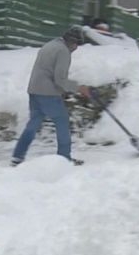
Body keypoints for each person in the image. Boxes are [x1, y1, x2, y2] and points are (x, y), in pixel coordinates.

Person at [11, 25, 90, 166]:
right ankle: (64, 159)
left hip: (34, 90)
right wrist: (78, 88)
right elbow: (60, 80)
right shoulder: (63, 51)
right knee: (62, 121)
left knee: (33, 124)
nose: (76, 48)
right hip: (48, 93)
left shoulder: (50, 45)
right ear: (72, 42)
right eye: (77, 44)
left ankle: (17, 157)